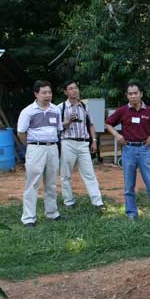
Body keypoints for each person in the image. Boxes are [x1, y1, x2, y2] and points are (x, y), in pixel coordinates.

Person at [105, 81, 150, 220]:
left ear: (141, 94)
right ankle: (131, 214)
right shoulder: (122, 111)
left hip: (145, 150)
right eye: (130, 94)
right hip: (128, 150)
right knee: (129, 186)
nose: (133, 96)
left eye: (135, 93)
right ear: (127, 96)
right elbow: (108, 123)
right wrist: (117, 135)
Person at [17, 80, 62, 227]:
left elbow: (58, 129)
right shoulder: (28, 111)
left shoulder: (56, 110)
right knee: (32, 183)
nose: (48, 95)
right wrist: (31, 146)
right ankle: (29, 218)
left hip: (53, 148)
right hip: (35, 149)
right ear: (36, 94)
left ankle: (52, 213)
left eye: (49, 92)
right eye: (44, 93)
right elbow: (21, 133)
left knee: (51, 183)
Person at [58, 80, 104, 210]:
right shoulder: (60, 108)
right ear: (65, 92)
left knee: (89, 173)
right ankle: (68, 202)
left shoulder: (84, 106)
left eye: (76, 88)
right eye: (71, 88)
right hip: (67, 142)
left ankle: (97, 202)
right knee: (66, 174)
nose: (74, 90)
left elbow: (91, 124)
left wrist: (94, 140)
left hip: (83, 143)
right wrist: (67, 122)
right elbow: (56, 127)